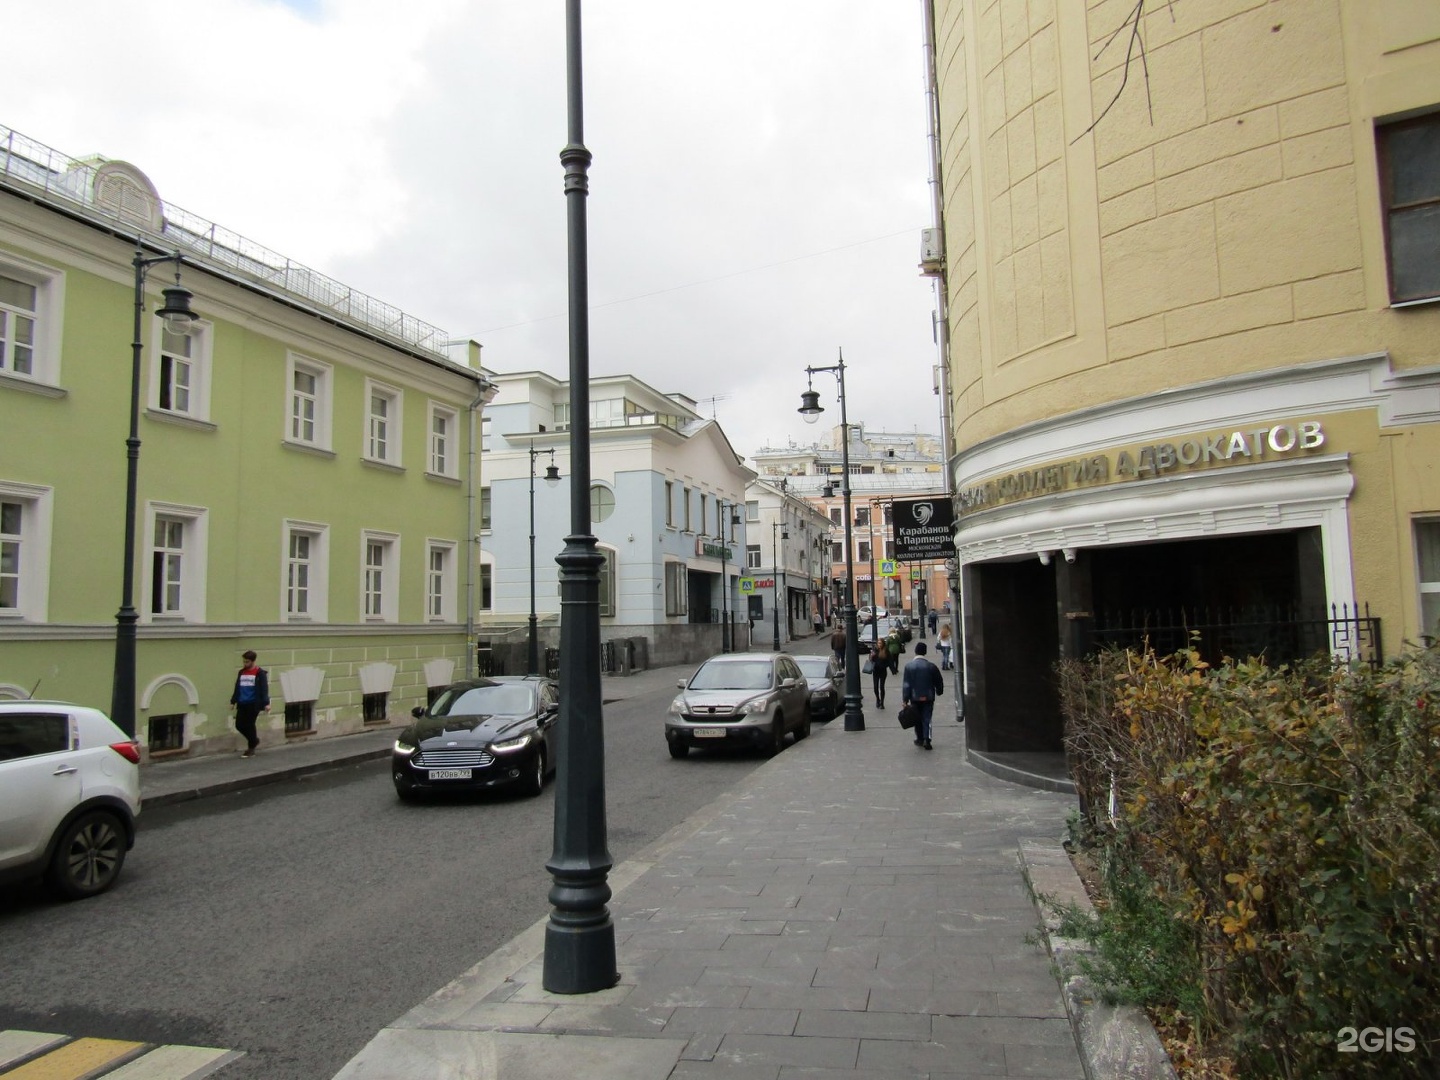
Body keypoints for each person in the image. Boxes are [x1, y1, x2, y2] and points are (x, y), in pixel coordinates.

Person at [901, 641, 944, 751]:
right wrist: (939, 691)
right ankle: (927, 739)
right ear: (925, 652)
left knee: (916, 718)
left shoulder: (909, 667)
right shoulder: (931, 666)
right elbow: (938, 681)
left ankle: (919, 738)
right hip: (928, 696)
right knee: (927, 718)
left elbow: (907, 685)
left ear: (915, 652)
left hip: (914, 697)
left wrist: (905, 699)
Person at [230, 649, 271, 757]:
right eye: (244, 661)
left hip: (253, 703)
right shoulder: (241, 672)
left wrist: (266, 703)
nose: (245, 664)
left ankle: (251, 748)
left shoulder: (259, 673)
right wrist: (233, 701)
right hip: (242, 702)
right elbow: (237, 687)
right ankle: (254, 740)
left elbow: (264, 689)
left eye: (247, 662)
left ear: (253, 661)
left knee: (249, 725)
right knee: (239, 725)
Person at [869, 637, 896, 708]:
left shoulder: (886, 651)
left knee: (881, 687)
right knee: (875, 687)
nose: (879, 644)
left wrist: (893, 669)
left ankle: (882, 703)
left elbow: (890, 660)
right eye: (878, 643)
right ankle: (878, 699)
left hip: (883, 671)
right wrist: (872, 656)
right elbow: (871, 660)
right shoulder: (875, 650)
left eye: (880, 643)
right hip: (875, 671)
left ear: (883, 644)